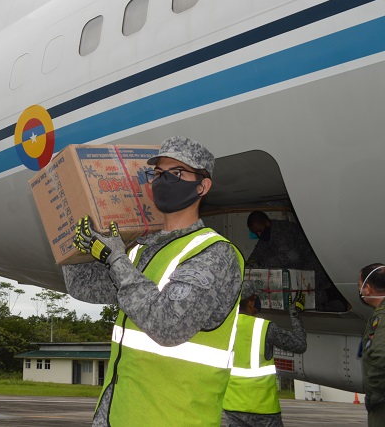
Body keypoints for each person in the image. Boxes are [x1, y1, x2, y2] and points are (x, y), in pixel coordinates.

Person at [64, 136, 243, 427]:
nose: (163, 181)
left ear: (202, 186)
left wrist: (116, 260)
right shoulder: (142, 250)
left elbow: (168, 326)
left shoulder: (214, 253)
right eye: (158, 174)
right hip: (119, 416)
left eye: (177, 173)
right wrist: (77, 248)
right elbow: (83, 287)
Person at [223, 280, 307, 426]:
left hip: (232, 405)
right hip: (264, 408)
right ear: (251, 302)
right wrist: (295, 313)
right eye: (256, 299)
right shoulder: (265, 327)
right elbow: (299, 345)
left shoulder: (223, 328)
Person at [246, 211, 346, 312]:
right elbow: (258, 252)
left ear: (267, 222)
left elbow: (290, 256)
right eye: (256, 233)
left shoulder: (283, 231)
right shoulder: (266, 234)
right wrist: (250, 265)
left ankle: (334, 296)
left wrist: (262, 264)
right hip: (301, 269)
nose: (259, 234)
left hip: (312, 266)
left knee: (307, 299)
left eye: (259, 230)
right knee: (305, 302)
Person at [358, 263, 385, 426]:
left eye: (360, 286)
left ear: (367, 289)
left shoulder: (381, 318)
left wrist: (374, 393)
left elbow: (382, 357)